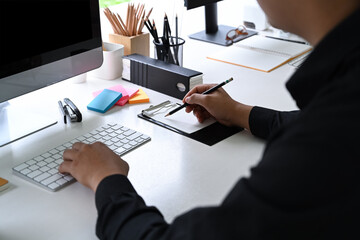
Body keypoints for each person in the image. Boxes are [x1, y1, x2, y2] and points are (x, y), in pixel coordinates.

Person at [59, 0, 360, 239]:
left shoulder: (324, 145)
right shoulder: (341, 103)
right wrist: (240, 113)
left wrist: (107, 180)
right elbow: (315, 123)